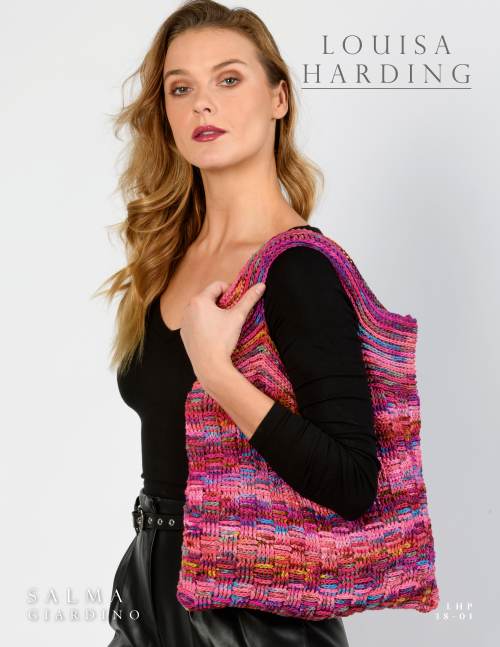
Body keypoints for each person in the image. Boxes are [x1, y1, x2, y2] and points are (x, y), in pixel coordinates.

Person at [98, 1, 381, 645]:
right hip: (150, 589)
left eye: (229, 79)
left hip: (254, 615)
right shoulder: (165, 259)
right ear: (165, 113)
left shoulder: (298, 267)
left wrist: (218, 375)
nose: (203, 103)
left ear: (279, 98)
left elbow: (353, 481)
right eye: (181, 88)